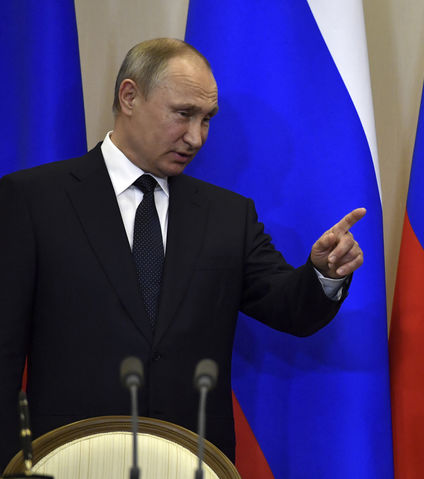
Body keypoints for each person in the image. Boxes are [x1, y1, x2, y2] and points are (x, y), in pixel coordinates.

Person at [0, 38, 365, 466]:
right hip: (67, 458)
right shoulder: (33, 199)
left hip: (192, 458)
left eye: (207, 119)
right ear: (130, 96)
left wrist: (324, 274)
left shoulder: (228, 215)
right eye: (184, 114)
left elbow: (290, 308)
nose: (196, 137)